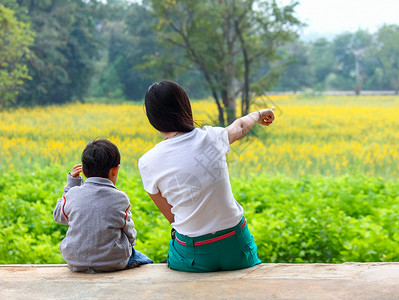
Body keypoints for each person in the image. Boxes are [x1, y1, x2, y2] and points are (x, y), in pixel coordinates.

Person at [138, 80, 275, 272]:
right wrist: (260, 114)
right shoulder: (212, 137)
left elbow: (173, 218)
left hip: (194, 254)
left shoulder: (147, 162)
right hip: (236, 248)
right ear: (185, 107)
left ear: (152, 117)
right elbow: (240, 127)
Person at [53, 139, 153, 273]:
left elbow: (59, 216)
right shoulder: (120, 198)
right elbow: (129, 231)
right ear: (115, 170)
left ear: (84, 169)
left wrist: (71, 185)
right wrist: (130, 244)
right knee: (143, 259)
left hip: (75, 261)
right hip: (113, 262)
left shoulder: (73, 194)